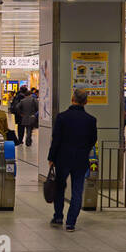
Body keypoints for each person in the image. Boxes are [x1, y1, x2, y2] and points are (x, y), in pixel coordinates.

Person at [47, 88, 97, 230]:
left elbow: (56, 139)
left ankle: (58, 216)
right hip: (81, 159)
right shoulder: (91, 120)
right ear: (86, 102)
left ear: (72, 99)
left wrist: (51, 157)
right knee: (77, 190)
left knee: (60, 187)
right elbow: (93, 140)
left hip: (62, 158)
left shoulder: (62, 117)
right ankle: (71, 223)